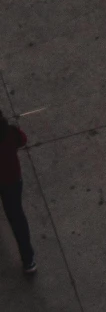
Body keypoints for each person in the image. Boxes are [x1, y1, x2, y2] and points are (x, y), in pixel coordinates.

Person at [0, 110, 37, 276]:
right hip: (11, 180)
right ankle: (28, 261)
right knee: (17, 219)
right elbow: (22, 140)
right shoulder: (9, 133)